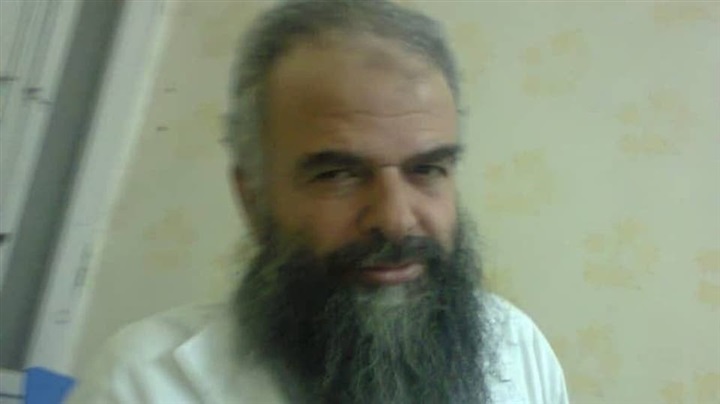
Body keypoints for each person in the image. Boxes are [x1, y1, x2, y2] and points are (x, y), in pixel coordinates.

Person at [69, 0, 569, 403]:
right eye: (338, 175)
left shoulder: (518, 350)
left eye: (427, 169)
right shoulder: (142, 385)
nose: (396, 220)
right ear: (253, 198)